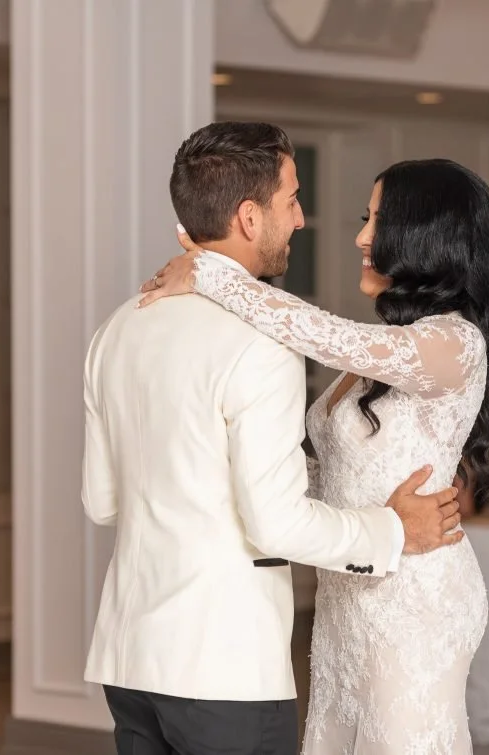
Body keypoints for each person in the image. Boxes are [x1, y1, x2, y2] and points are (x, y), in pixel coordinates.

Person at [83, 123, 468, 755]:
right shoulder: (262, 343)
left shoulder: (117, 328)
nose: (301, 219)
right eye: (292, 199)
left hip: (128, 656)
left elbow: (102, 502)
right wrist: (393, 531)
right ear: (248, 216)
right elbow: (276, 524)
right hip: (223, 663)